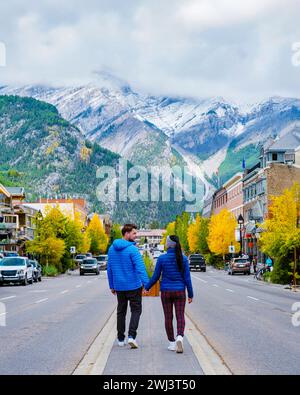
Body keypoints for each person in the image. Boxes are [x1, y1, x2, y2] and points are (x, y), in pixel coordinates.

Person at [144, 235, 194, 354]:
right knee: (180, 315)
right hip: (180, 291)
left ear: (169, 244)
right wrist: (191, 294)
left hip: (166, 291)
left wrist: (147, 287)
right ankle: (180, 337)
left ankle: (172, 343)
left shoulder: (162, 259)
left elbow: (156, 276)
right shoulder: (183, 259)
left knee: (168, 317)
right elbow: (187, 279)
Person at [107, 224, 149, 349]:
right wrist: (147, 284)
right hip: (134, 286)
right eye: (134, 233)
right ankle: (131, 336)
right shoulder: (133, 249)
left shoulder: (111, 249)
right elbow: (141, 268)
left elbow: (110, 269)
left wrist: (112, 285)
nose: (136, 236)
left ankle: (120, 339)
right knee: (136, 310)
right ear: (126, 234)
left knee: (121, 311)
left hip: (119, 286)